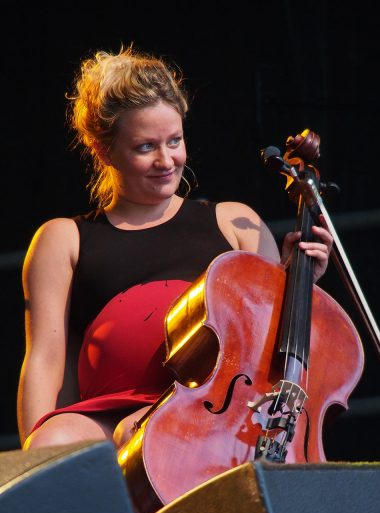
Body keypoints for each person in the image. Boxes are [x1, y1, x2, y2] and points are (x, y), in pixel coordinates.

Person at [17, 44, 332, 452]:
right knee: (51, 443)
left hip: (212, 413)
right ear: (104, 150)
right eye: (146, 147)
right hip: (111, 423)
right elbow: (44, 358)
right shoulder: (63, 238)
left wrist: (299, 285)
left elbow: (265, 353)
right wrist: (35, 457)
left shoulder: (235, 222)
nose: (166, 160)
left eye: (174, 140)